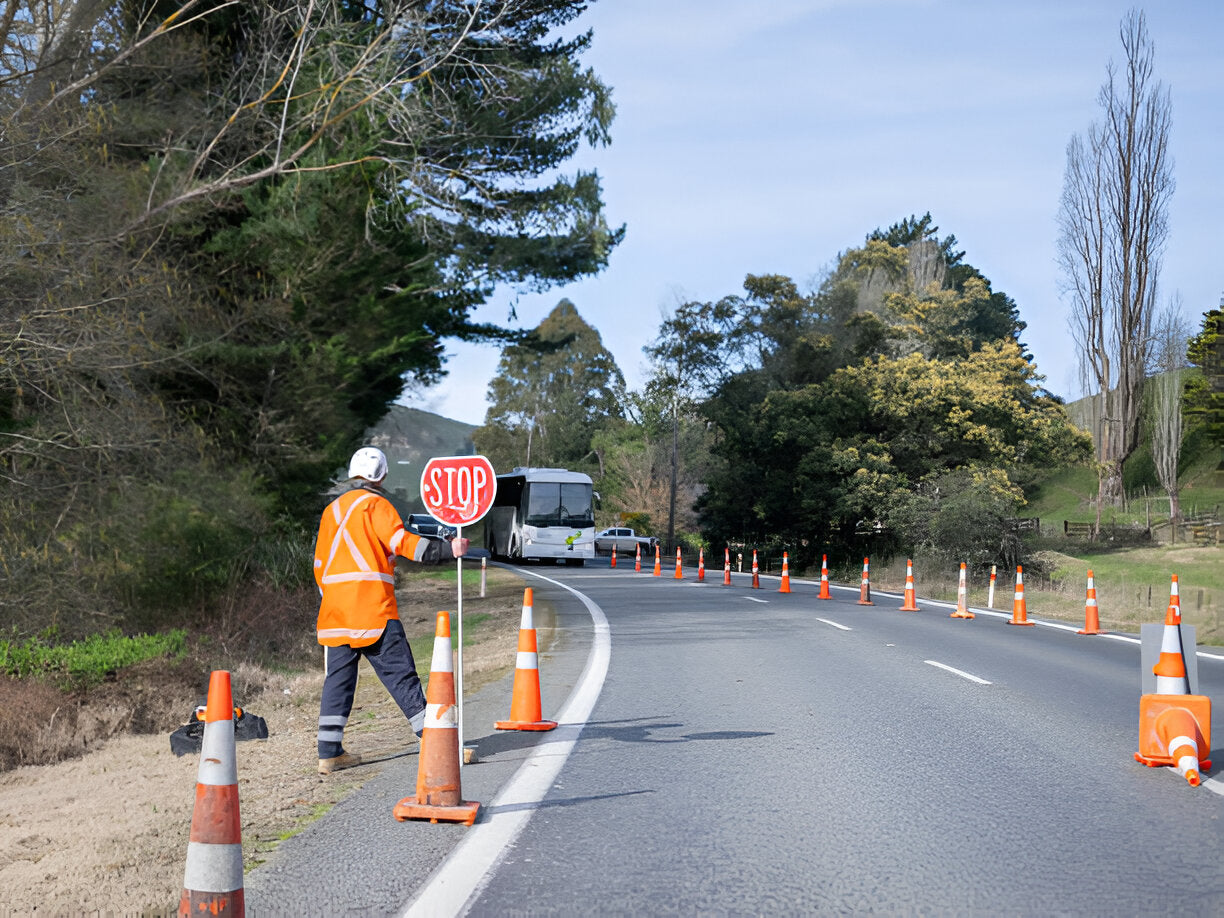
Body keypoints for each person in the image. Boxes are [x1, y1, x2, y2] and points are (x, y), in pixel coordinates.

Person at [313, 446, 468, 775]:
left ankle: (328, 752)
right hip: (373, 611)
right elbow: (403, 543)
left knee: (337, 682)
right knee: (402, 678)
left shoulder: (332, 511)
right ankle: (437, 743)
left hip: (334, 614)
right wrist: (447, 549)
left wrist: (335, 598)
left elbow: (319, 566)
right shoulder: (376, 505)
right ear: (382, 476)